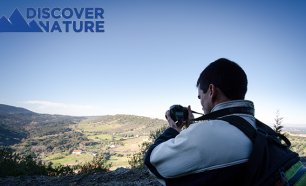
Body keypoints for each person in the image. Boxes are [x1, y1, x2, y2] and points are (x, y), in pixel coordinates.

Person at [144, 58, 306, 185]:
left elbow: (153, 162)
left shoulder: (205, 134)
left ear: (212, 91)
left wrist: (173, 128)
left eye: (200, 97)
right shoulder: (258, 127)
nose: (200, 103)